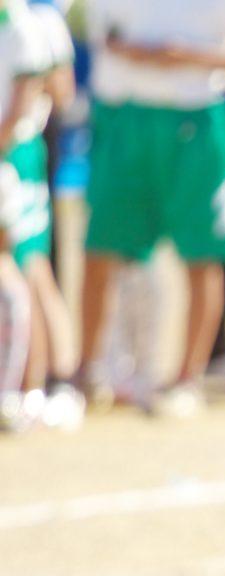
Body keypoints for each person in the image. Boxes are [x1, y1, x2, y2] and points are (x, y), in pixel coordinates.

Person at [77, 0, 225, 417]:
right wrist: (129, 52)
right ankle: (87, 373)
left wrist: (188, 58)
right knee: (101, 248)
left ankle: (186, 378)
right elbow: (97, 33)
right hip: (123, 119)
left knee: (202, 254)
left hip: (194, 122)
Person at [16, 0, 81, 428]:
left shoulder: (35, 20)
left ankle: (53, 380)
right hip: (21, 148)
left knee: (30, 263)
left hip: (20, 153)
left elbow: (62, 91)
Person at [0, 0, 48, 432]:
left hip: (10, 159)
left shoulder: (20, 25)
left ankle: (18, 391)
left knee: (17, 268)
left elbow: (24, 101)